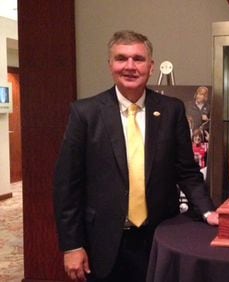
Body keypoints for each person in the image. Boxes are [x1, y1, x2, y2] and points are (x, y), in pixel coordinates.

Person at [53, 30, 218, 282]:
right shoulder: (85, 113)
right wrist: (72, 245)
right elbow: (67, 185)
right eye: (121, 58)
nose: (130, 66)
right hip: (103, 243)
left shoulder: (172, 110)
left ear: (151, 67)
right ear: (110, 65)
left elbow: (186, 171)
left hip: (160, 238)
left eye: (138, 59)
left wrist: (208, 212)